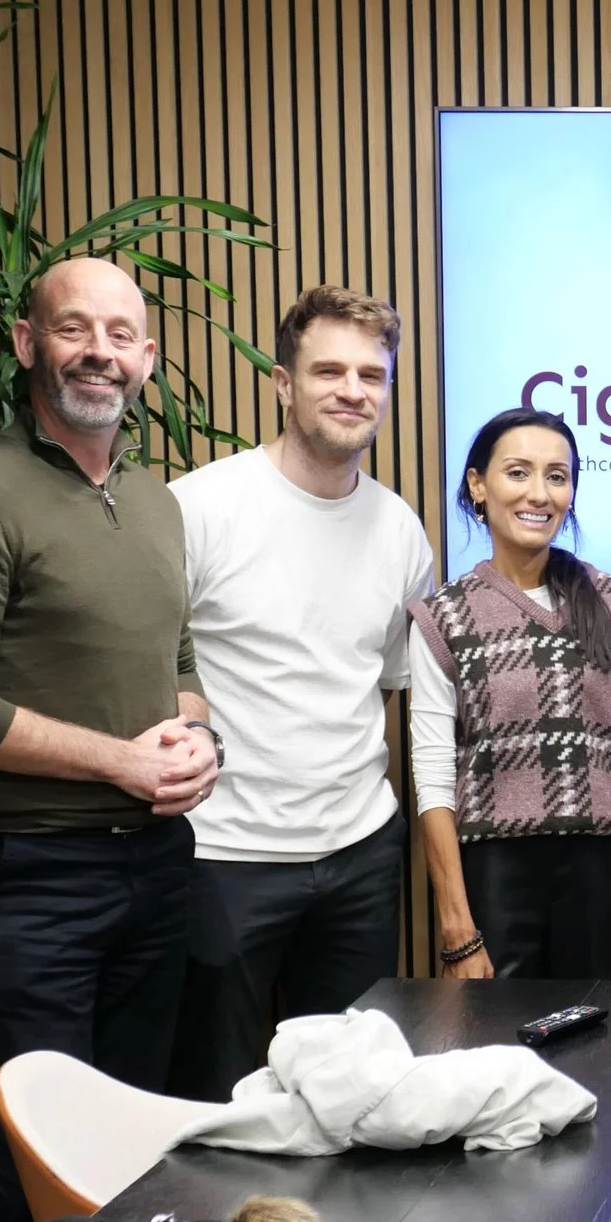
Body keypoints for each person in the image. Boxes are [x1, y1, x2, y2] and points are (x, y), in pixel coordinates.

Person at [0, 256, 219, 1222]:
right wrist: (121, 763)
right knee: (23, 1174)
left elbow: (178, 663)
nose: (99, 352)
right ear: (30, 343)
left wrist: (194, 741)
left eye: (121, 336)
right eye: (74, 329)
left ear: (148, 361)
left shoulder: (155, 503)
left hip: (154, 871)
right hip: (24, 884)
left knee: (124, 1165)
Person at [166, 286, 435, 1098]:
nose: (353, 390)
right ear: (283, 383)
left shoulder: (399, 530)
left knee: (349, 1104)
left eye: (372, 375)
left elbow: (388, 683)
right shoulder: (201, 506)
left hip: (359, 855)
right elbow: (152, 665)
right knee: (211, 1097)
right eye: (328, 371)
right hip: (224, 856)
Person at [411, 408, 611, 979]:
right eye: (518, 472)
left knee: (600, 1052)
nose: (540, 493)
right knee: (496, 1058)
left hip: (601, 871)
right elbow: (433, 776)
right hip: (495, 874)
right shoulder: (444, 616)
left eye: (557, 476)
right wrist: (457, 924)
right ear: (478, 485)